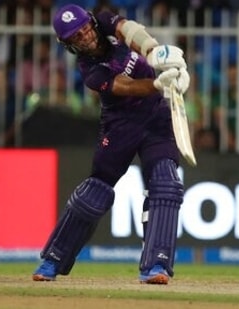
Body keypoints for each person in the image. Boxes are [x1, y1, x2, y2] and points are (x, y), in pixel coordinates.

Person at [32, 4, 190, 285]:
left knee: (165, 184)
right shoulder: (90, 70)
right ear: (68, 45)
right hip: (120, 125)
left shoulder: (105, 21)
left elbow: (130, 31)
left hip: (156, 119)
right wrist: (160, 85)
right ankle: (53, 260)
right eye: (76, 38)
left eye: (85, 31)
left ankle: (156, 266)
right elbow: (126, 86)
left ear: (91, 23)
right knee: (95, 193)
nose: (86, 38)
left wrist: (155, 52)